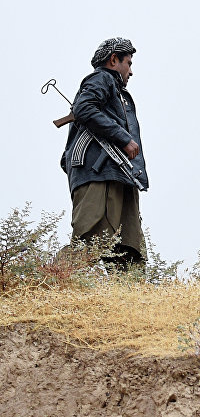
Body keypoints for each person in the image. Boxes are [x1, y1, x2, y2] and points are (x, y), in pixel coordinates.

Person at [60, 37, 147, 272]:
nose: (131, 71)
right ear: (113, 60)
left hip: (120, 174)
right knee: (90, 241)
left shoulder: (117, 91)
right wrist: (123, 138)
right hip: (99, 174)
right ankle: (49, 284)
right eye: (128, 63)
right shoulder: (102, 79)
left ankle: (132, 294)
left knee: (128, 251)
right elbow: (84, 107)